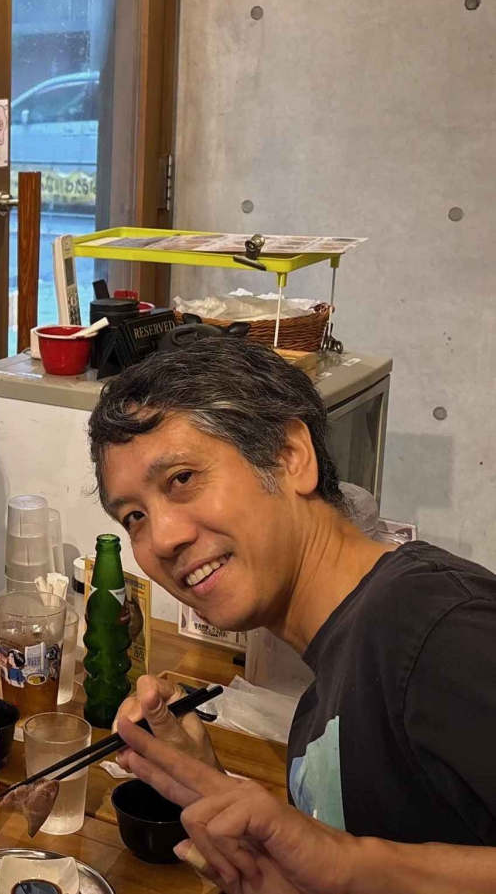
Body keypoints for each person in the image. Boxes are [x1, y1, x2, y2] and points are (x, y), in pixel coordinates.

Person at [88, 338, 496, 892]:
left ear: (290, 457)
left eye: (182, 479)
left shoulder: (435, 629)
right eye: (134, 516)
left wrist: (350, 865)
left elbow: (348, 865)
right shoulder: (330, 680)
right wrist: (213, 787)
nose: (161, 539)